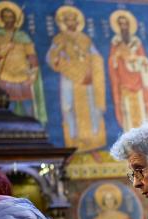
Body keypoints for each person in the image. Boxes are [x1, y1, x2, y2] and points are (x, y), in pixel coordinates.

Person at [46, 5, 106, 152]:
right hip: (70, 79)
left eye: (73, 20)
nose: (70, 23)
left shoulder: (85, 39)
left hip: (87, 79)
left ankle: (93, 146)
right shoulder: (59, 38)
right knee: (68, 108)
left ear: (77, 22)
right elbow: (51, 57)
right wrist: (64, 63)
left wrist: (92, 69)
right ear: (63, 22)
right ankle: (73, 145)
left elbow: (96, 56)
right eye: (67, 20)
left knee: (92, 109)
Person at [0, 1, 47, 124]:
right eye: (6, 16)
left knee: (28, 107)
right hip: (5, 77)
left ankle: (32, 131)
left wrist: (33, 73)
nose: (9, 19)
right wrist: (3, 50)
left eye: (11, 16)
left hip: (23, 76)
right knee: (7, 107)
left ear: (16, 19)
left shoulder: (23, 36)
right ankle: (8, 132)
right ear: (1, 19)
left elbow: (32, 57)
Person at [108, 9, 148, 131]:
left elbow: (144, 60)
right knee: (128, 116)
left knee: (142, 113)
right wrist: (117, 56)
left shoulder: (136, 43)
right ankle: (130, 146)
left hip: (139, 85)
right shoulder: (116, 43)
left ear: (129, 25)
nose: (124, 27)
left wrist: (136, 59)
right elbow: (112, 62)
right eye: (121, 24)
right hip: (124, 85)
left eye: (126, 24)